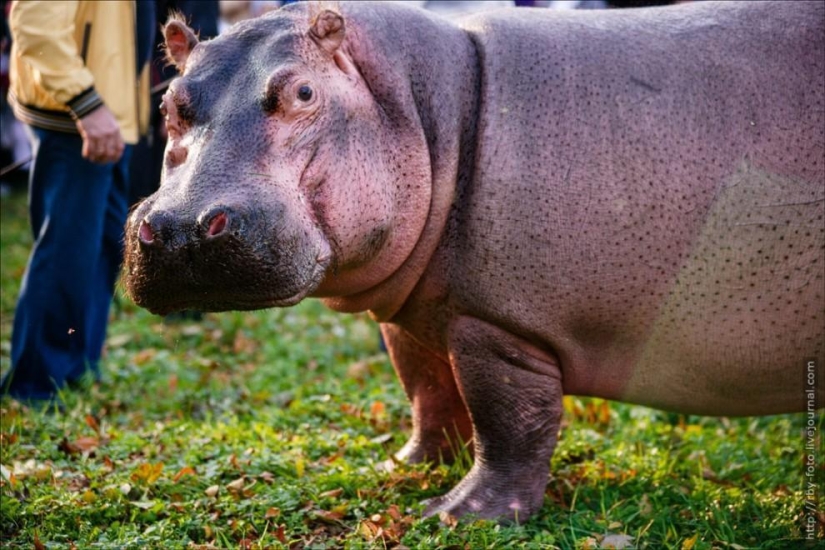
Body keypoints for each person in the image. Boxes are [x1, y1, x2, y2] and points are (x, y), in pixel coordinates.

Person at [1, 0, 154, 404]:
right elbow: (35, 24)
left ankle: (75, 368)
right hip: (79, 116)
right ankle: (34, 385)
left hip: (113, 112)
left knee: (103, 245)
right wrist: (86, 104)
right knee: (68, 249)